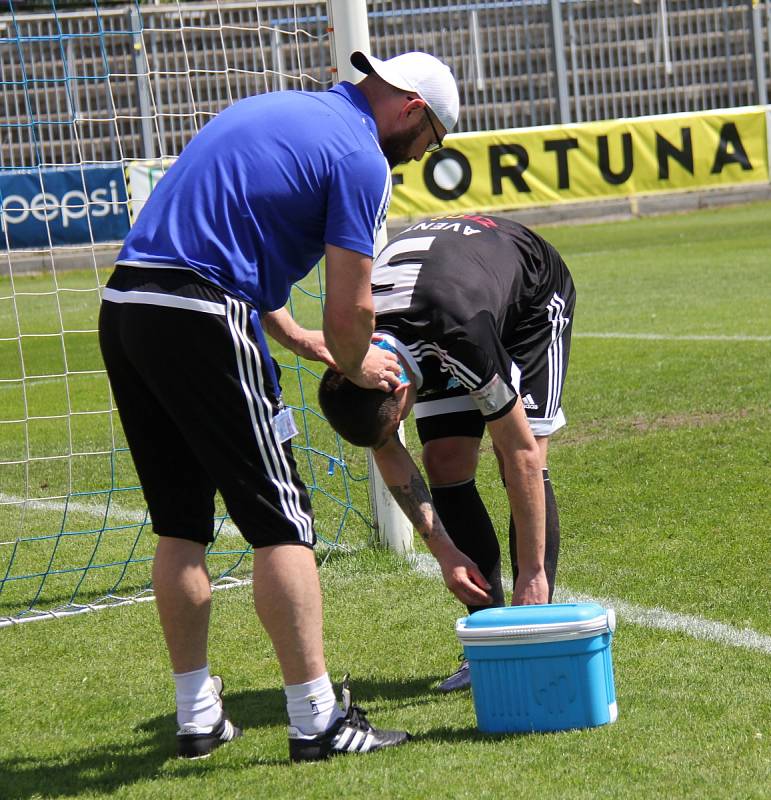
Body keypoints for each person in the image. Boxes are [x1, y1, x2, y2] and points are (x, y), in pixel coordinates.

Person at [98, 50, 484, 763]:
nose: (416, 156)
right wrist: (353, 362)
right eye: (428, 141)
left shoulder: (279, 110)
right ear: (410, 110)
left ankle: (197, 716)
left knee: (180, 524)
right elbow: (353, 309)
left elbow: (225, 234)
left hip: (127, 304)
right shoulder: (361, 157)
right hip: (199, 313)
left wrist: (293, 336)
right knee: (283, 522)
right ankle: (317, 721)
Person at [318, 212, 576, 693]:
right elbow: (384, 445)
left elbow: (520, 453)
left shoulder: (461, 336)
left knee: (520, 456)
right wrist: (445, 553)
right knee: (444, 462)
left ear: (397, 392)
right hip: (432, 310)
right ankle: (488, 639)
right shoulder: (350, 346)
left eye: (396, 423)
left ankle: (536, 617)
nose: (394, 436)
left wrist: (534, 573)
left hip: (530, 300)